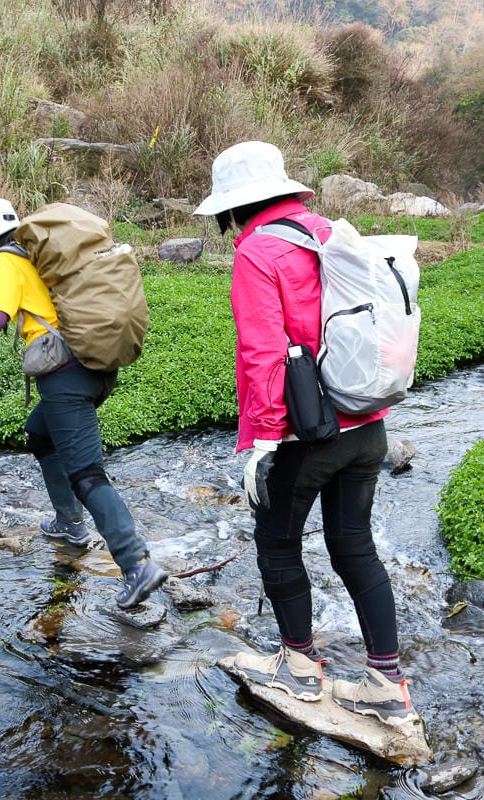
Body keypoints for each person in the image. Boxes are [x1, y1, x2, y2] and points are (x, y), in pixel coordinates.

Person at [192, 142, 417, 725]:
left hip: (306, 435)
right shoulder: (332, 233)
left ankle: (298, 668)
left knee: (278, 545)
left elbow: (262, 352)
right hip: (367, 427)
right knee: (355, 546)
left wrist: (264, 441)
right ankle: (385, 684)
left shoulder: (259, 251)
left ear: (233, 206)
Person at [0, 198, 168, 609]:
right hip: (96, 369)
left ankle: (136, 564)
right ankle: (69, 524)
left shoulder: (7, 259)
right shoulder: (41, 254)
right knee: (40, 434)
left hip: (65, 378)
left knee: (87, 474)